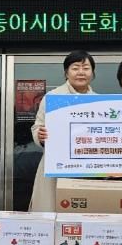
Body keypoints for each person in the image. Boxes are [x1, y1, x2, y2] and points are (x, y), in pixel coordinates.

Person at [29, 51, 96, 211]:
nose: (81, 72)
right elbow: (37, 126)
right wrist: (40, 136)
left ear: (92, 73)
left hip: (87, 166)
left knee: (83, 210)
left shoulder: (98, 100)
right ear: (66, 73)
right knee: (52, 209)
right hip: (56, 166)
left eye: (86, 68)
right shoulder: (53, 97)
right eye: (75, 68)